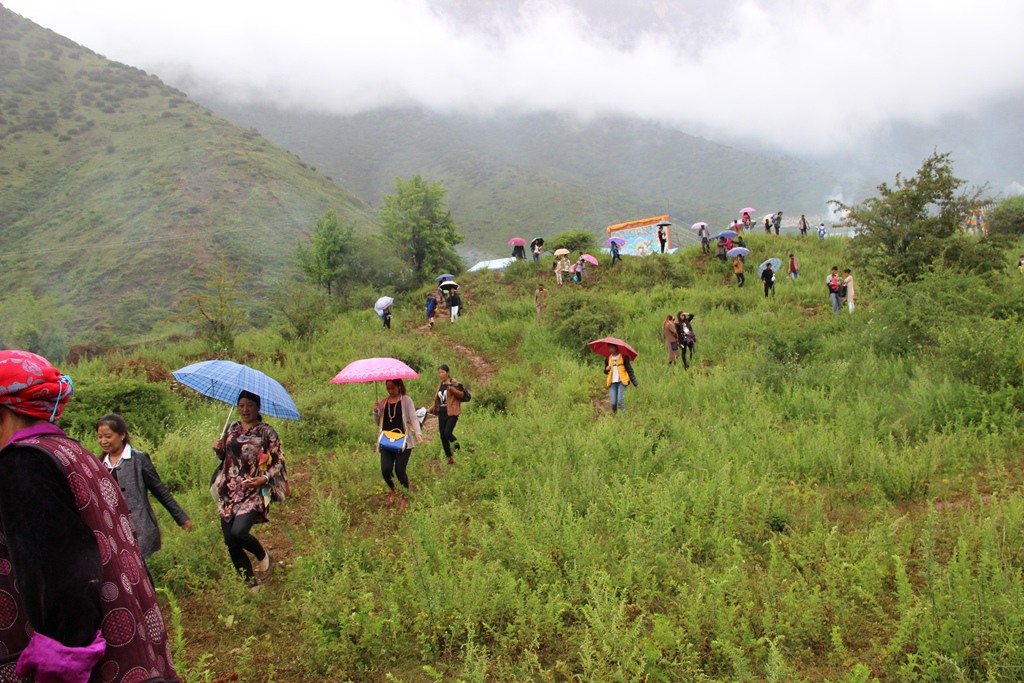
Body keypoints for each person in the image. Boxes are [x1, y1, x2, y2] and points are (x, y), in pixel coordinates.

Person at [0, 350, 179, 683]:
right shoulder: (74, 452)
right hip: (132, 655)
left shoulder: (22, 464)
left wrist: (60, 664)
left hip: (90, 669)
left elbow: (64, 574)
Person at [211, 390, 283, 586]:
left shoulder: (266, 432)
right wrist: (219, 449)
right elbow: (225, 456)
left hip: (252, 491)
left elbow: (279, 462)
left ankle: (263, 556)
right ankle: (250, 584)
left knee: (239, 533)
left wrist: (265, 478)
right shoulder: (232, 428)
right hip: (228, 491)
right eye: (241, 405)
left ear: (258, 407)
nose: (245, 410)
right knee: (230, 542)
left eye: (250, 405)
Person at [96, 413, 192, 561]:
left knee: (140, 569)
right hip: (113, 529)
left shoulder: (138, 459)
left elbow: (159, 490)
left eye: (108, 436)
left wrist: (181, 518)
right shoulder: (99, 464)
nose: (103, 441)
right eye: (100, 437)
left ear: (121, 435)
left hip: (140, 528)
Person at [372, 379, 423, 507]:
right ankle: (393, 489)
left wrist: (418, 433)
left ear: (399, 386)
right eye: (388, 388)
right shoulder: (383, 402)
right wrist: (376, 411)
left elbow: (413, 418)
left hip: (403, 442)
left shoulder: (406, 400)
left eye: (392, 388)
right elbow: (379, 423)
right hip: (387, 441)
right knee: (385, 469)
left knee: (400, 470)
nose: (390, 390)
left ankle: (405, 494)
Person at [428, 365, 466, 465]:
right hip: (442, 413)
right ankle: (449, 457)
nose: (441, 375)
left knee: (447, 433)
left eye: (442, 372)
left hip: (452, 413)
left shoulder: (453, 383)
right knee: (442, 436)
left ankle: (457, 447)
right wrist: (428, 410)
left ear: (448, 373)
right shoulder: (439, 386)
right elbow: (437, 402)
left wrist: (452, 389)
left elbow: (462, 395)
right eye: (439, 372)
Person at [604, 344, 638, 414]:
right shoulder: (608, 358)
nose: (610, 350)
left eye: (612, 348)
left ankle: (626, 416)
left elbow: (630, 371)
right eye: (609, 348)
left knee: (620, 402)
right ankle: (615, 417)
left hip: (622, 382)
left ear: (616, 347)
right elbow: (606, 371)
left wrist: (635, 383)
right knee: (613, 403)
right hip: (612, 383)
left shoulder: (624, 357)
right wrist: (606, 369)